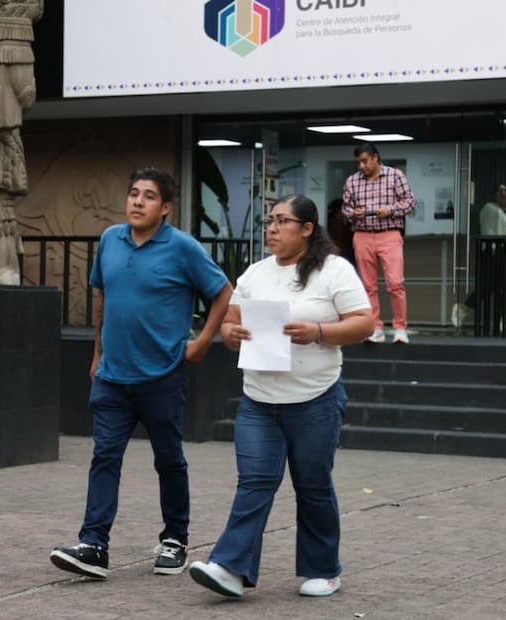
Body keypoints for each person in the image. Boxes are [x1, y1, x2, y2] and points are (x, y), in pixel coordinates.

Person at [49, 167, 233, 579]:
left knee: (168, 459)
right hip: (113, 375)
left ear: (165, 207)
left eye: (149, 196)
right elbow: (102, 295)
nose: (137, 201)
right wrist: (97, 352)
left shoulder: (182, 248)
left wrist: (203, 342)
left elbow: (223, 290)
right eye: (133, 193)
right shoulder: (110, 240)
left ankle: (174, 540)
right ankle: (94, 545)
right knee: (104, 456)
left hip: (162, 375)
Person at [189, 195, 372, 599]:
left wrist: (318, 333)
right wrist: (229, 335)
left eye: (282, 221)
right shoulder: (256, 272)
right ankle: (230, 568)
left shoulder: (333, 271)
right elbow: (232, 321)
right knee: (254, 482)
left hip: (315, 399)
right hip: (259, 400)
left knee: (312, 484)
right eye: (269, 221)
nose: (271, 228)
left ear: (307, 229)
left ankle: (324, 569)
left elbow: (364, 323)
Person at [341, 142, 415, 343]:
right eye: (358, 163)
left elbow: (410, 202)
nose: (361, 166)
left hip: (389, 234)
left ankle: (400, 328)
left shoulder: (395, 175)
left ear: (376, 157)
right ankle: (375, 328)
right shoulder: (352, 181)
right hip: (362, 235)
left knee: (395, 283)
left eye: (365, 161)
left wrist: (390, 210)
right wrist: (353, 214)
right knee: (368, 285)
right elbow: (345, 209)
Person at [452, 184, 506, 332]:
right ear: (494, 194)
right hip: (494, 251)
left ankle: (505, 319)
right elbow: (489, 230)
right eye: (500, 191)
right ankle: (463, 308)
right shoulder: (489, 209)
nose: (503, 194)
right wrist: (494, 249)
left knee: (505, 288)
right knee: (488, 286)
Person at [325, 198, 354, 266]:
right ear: (339, 210)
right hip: (341, 254)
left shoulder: (336, 222)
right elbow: (342, 242)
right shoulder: (336, 224)